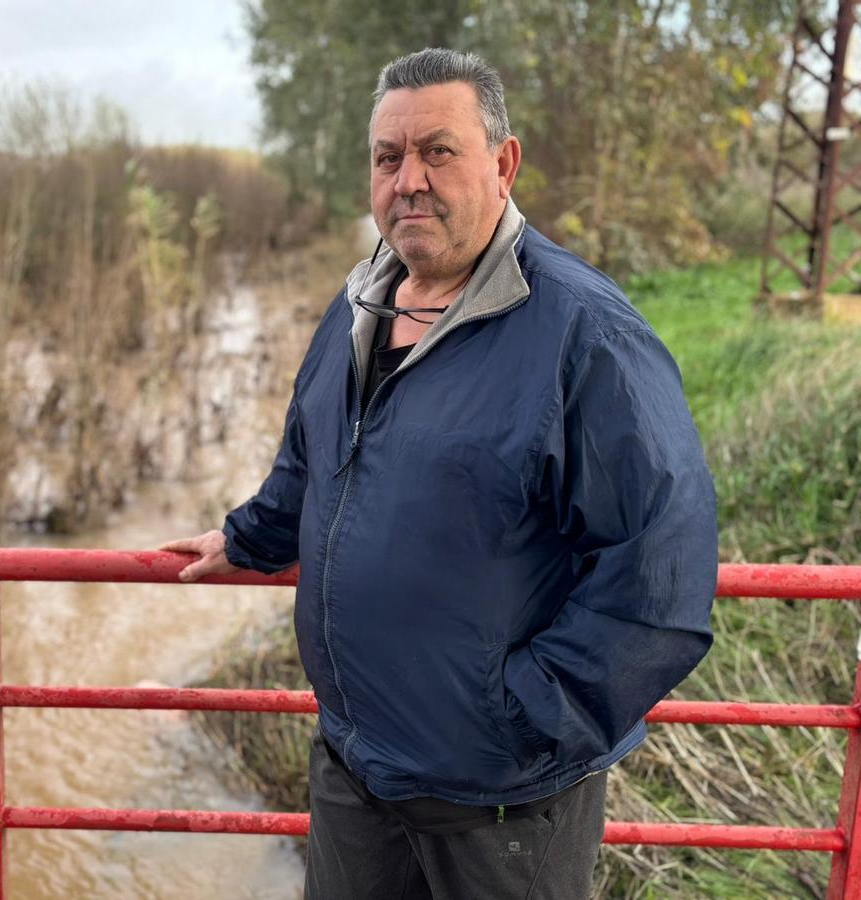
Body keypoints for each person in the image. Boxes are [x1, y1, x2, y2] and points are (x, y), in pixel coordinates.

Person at [161, 48, 717, 899]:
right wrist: (248, 536)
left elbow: (662, 576)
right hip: (355, 768)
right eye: (389, 158)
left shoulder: (584, 334)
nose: (408, 180)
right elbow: (313, 460)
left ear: (503, 163)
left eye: (437, 151)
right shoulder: (357, 308)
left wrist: (518, 725)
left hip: (499, 807)